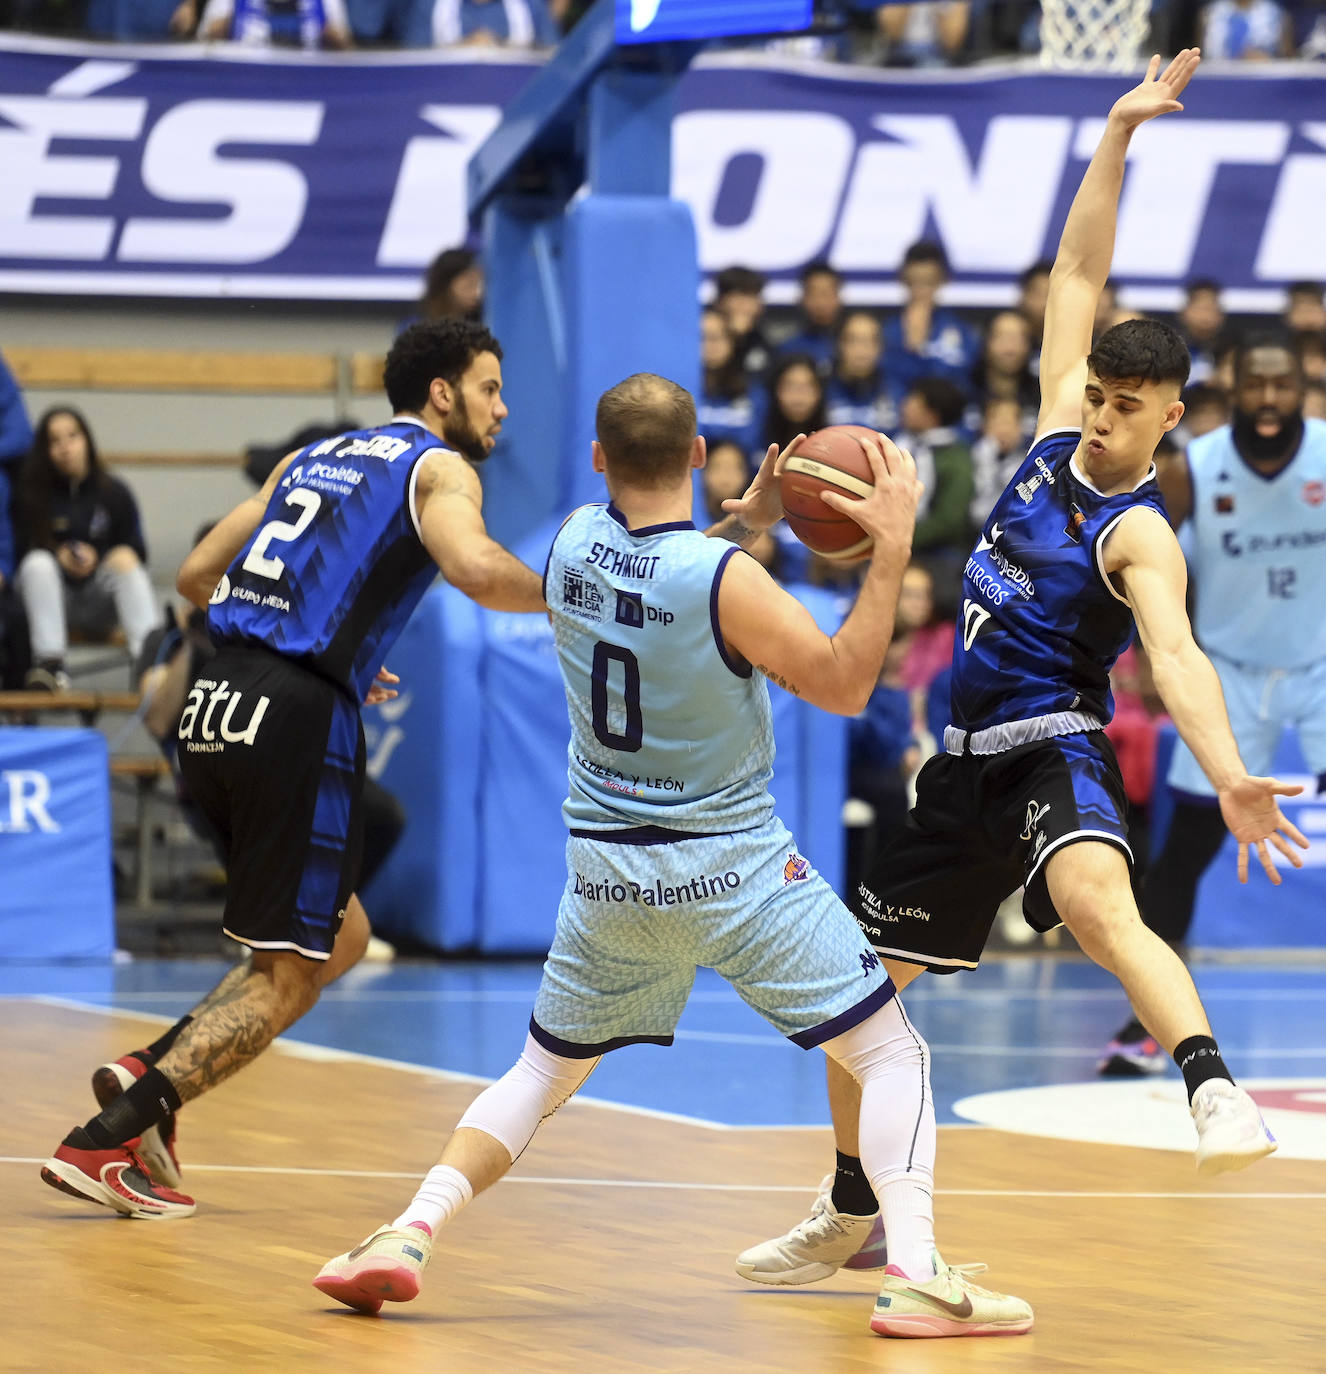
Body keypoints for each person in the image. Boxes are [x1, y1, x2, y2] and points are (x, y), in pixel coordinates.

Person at [741, 49, 1306, 1291]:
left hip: (1056, 744)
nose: (1101, 416)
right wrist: (1116, 133)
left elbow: (1177, 656)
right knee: (851, 995)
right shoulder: (1054, 429)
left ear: (1171, 418)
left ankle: (1215, 1095)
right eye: (1097, 394)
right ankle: (851, 1208)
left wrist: (1233, 775)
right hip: (961, 771)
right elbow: (1078, 271)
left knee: (1108, 912)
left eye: (1126, 407)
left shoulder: (1141, 532)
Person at [313, 375, 1033, 1338]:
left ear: (601, 459)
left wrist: (746, 529)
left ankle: (408, 1232)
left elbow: (656, 588)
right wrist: (890, 546)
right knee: (889, 1049)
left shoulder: (573, 542)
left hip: (608, 874)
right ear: (699, 456)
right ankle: (914, 1274)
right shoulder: (724, 579)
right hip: (731, 869)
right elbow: (845, 684)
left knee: (538, 1073)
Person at [40, 318, 545, 1220]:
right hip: (292, 715)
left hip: (210, 701)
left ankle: (148, 1070)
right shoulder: (438, 468)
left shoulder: (313, 457)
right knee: (289, 973)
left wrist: (322, 631)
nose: (502, 408)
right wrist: (584, 591)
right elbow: (475, 569)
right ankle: (108, 1137)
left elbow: (198, 572)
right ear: (441, 394)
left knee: (339, 937)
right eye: (490, 388)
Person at [1099, 331, 1326, 1074]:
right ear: (1229, 391)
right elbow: (1144, 559)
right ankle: (1146, 1025)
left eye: (1281, 386)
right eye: (1253, 387)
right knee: (1185, 851)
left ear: (1302, 387)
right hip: (1228, 669)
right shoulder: (1192, 468)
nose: (1268, 402)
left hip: (1321, 666)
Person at [13, 407, 159, 690]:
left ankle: (149, 665)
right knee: (37, 563)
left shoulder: (114, 491)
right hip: (51, 603)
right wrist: (59, 556)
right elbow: (20, 554)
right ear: (46, 451)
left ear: (87, 440)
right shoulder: (32, 494)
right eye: (55, 441)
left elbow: (139, 551)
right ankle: (51, 667)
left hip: (99, 598)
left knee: (126, 559)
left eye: (72, 436)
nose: (65, 447)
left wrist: (101, 557)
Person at [883, 240, 978, 399]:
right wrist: (911, 349)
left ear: (942, 280)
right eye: (914, 282)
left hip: (951, 419)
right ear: (903, 279)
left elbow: (962, 381)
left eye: (928, 283)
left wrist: (921, 352)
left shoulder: (961, 331)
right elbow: (889, 383)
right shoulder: (888, 331)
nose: (920, 291)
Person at [699, 308, 766, 459]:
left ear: (733, 341)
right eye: (703, 337)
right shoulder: (680, 393)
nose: (710, 345)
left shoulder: (755, 394)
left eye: (718, 337)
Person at [825, 310, 897, 434]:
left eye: (870, 341)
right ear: (839, 345)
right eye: (854, 340)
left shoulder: (898, 390)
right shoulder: (821, 390)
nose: (862, 349)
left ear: (880, 347)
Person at [778, 261, 844, 373]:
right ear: (801, 299)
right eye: (813, 294)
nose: (820, 303)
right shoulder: (788, 350)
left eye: (826, 294)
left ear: (838, 298)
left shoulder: (854, 346)